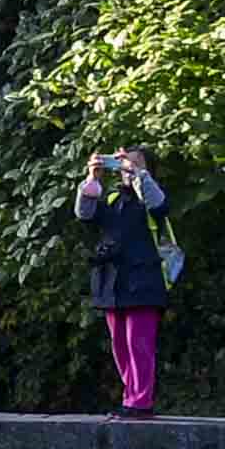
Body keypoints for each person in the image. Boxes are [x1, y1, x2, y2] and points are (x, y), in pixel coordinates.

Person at [76, 147, 175, 417]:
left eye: (135, 163)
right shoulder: (110, 197)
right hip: (112, 279)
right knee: (119, 343)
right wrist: (91, 178)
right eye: (124, 163)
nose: (127, 167)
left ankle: (140, 401)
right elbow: (85, 214)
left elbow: (159, 205)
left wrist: (138, 174)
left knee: (138, 342)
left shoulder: (150, 195)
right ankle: (130, 395)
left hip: (144, 277)